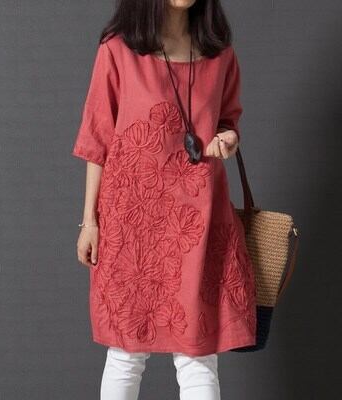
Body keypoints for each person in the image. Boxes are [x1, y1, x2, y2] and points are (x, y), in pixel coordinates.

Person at [71, 1, 257, 399]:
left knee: (198, 356)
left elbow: (228, 119)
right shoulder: (118, 49)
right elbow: (97, 140)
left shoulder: (219, 53)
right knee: (125, 353)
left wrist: (228, 138)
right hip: (131, 225)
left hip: (198, 222)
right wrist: (90, 222)